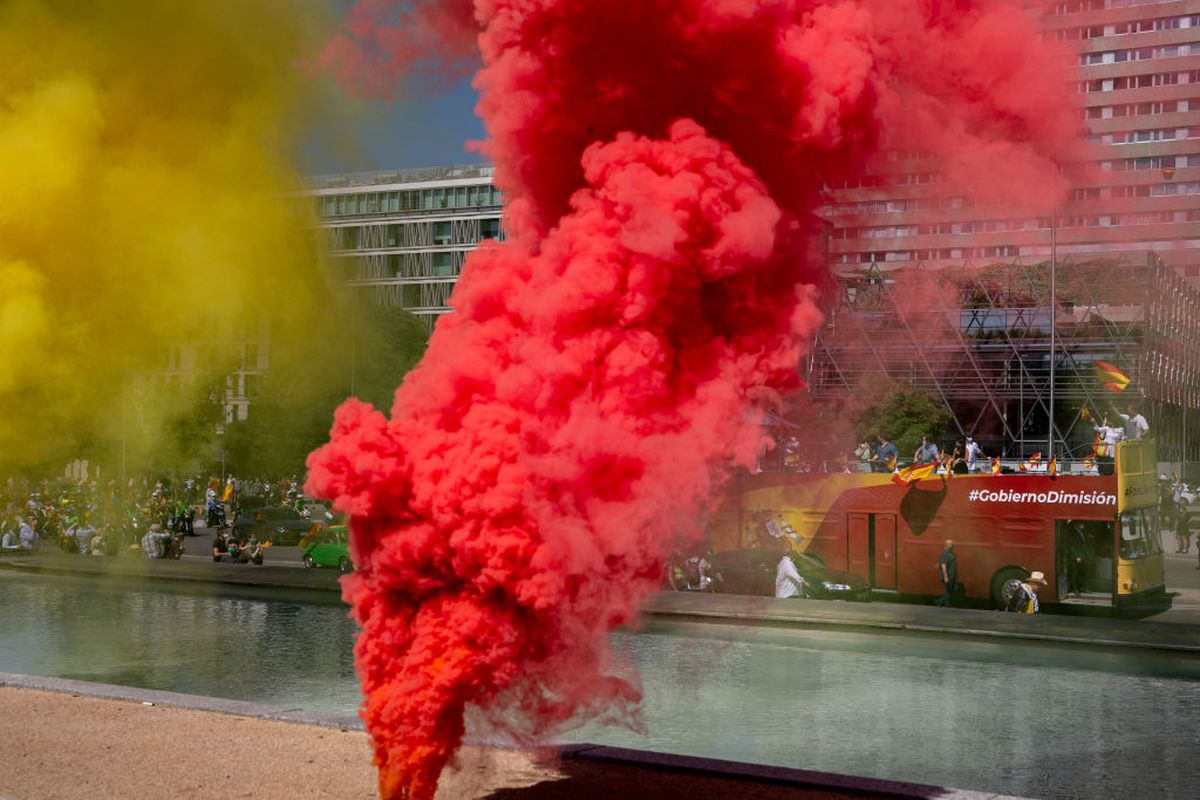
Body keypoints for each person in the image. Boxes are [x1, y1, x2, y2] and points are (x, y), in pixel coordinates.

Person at [936, 540, 957, 607]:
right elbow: (943, 565)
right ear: (947, 545)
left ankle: (943, 602)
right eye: (951, 544)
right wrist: (945, 577)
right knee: (948, 591)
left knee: (949, 590)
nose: (952, 545)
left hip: (951, 576)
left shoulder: (951, 553)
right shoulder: (945, 553)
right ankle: (942, 602)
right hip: (948, 576)